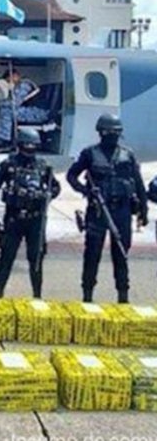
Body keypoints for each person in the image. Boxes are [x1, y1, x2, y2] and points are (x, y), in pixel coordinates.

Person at [67, 113, 147, 303]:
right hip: (98, 211)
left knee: (121, 254)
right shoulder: (89, 153)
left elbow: (138, 183)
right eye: (109, 132)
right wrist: (86, 191)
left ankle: (123, 297)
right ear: (101, 133)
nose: (113, 136)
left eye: (116, 132)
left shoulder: (127, 155)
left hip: (122, 211)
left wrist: (143, 210)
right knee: (92, 254)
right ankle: (87, 296)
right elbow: (72, 175)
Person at [0, 128, 60, 299]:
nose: (30, 150)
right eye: (27, 146)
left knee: (36, 260)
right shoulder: (9, 165)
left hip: (35, 220)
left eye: (33, 146)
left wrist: (47, 195)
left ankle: (37, 296)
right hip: (14, 219)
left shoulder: (43, 166)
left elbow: (56, 187)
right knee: (6, 258)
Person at [0, 69, 48, 151]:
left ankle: (5, 142)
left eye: (9, 80)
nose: (9, 83)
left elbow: (14, 103)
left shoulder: (24, 85)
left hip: (38, 113)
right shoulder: (19, 85)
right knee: (5, 110)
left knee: (7, 112)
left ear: (14, 76)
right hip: (32, 110)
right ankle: (6, 140)